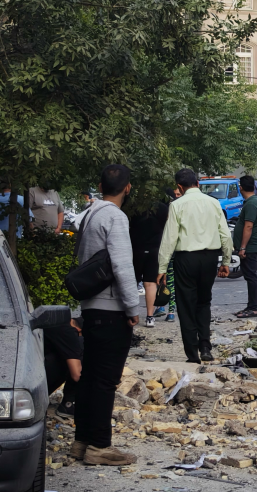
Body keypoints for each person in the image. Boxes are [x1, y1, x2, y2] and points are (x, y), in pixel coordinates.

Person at [71, 163, 141, 466]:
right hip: (112, 309)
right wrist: (132, 307)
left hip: (90, 306)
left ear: (100, 187)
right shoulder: (116, 217)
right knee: (104, 381)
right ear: (127, 188)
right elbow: (122, 266)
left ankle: (82, 441)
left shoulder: (88, 215)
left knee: (89, 379)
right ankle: (100, 446)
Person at [156, 168, 232, 363]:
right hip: (209, 258)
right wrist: (225, 261)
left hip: (185, 259)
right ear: (197, 183)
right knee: (204, 302)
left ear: (179, 187)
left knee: (186, 305)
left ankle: (192, 354)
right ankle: (206, 346)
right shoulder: (214, 203)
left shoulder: (177, 205)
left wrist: (162, 268)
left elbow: (169, 238)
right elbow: (225, 235)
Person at [130, 196, 170, 328]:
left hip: (136, 248)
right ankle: (149, 317)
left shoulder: (133, 206)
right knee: (151, 283)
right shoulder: (163, 208)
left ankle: (130, 314)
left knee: (132, 282)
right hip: (155, 249)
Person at [233, 175, 257, 319]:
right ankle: (251, 305)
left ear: (240, 188)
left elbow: (248, 225)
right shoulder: (256, 201)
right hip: (251, 245)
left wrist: (243, 247)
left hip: (250, 247)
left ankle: (253, 308)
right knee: (249, 276)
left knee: (251, 277)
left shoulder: (252, 203)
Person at [45, 318, 82, 420]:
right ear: (79, 331)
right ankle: (68, 404)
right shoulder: (69, 332)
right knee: (79, 351)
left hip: (32, 378)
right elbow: (76, 375)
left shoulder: (56, 323)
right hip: (36, 383)